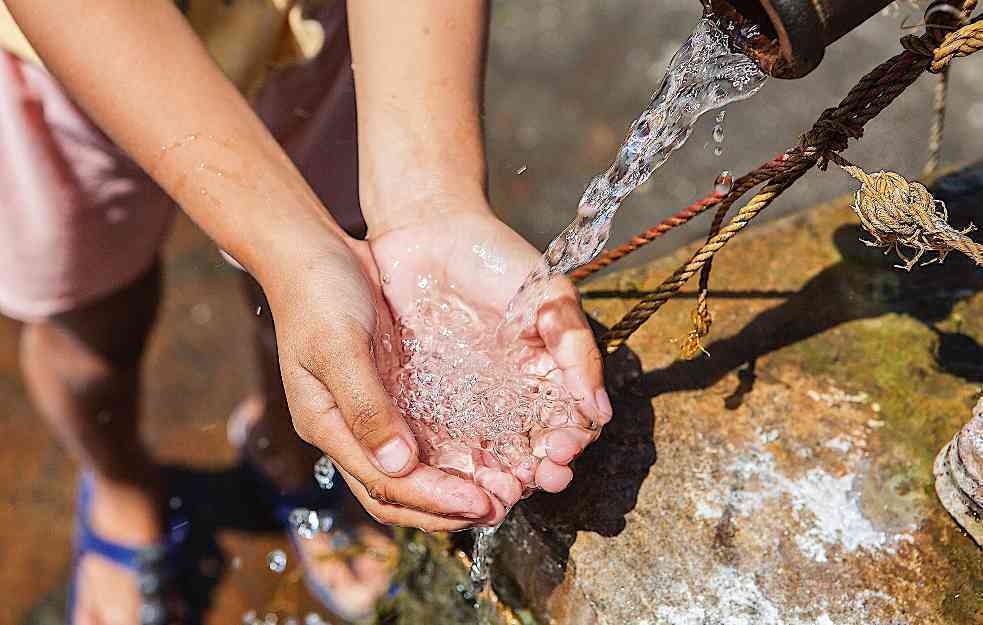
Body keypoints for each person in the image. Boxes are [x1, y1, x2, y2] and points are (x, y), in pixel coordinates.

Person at [0, 1, 609, 623]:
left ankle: (283, 450)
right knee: (93, 334)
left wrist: (429, 197)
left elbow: (328, 270)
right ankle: (120, 489)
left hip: (310, 32)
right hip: (71, 56)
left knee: (329, 302)